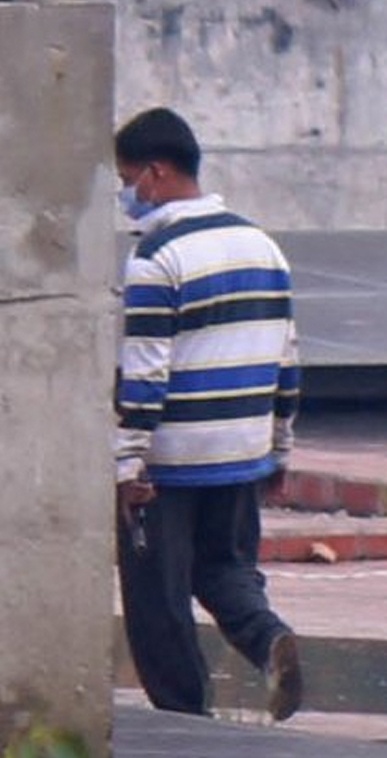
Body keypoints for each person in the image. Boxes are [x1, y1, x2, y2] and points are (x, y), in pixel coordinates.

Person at [113, 107, 304, 722]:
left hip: (170, 462)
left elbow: (146, 372)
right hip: (241, 450)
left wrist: (127, 463)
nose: (126, 194)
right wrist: (279, 448)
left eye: (127, 179)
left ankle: (185, 716)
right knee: (226, 569)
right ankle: (270, 640)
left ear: (156, 173)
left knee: (157, 596)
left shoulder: (156, 258)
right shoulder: (263, 246)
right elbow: (287, 360)